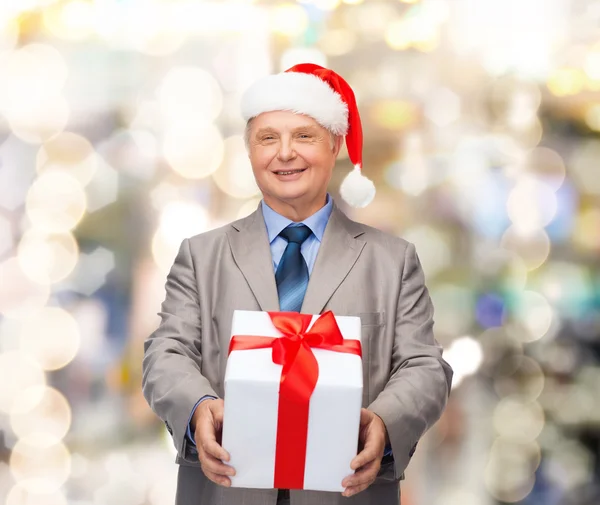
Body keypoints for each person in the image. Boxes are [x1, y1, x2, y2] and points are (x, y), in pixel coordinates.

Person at [142, 63, 453, 505]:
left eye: (304, 136)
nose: (284, 153)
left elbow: (425, 367)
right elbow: (165, 352)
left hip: (347, 491)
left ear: (335, 144)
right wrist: (197, 408)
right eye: (267, 138)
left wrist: (385, 421)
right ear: (249, 151)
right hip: (227, 488)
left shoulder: (392, 261)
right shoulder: (201, 255)